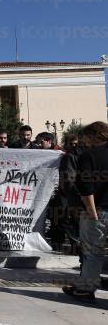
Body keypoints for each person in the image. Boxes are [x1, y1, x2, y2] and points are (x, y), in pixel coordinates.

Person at [63, 122, 108, 303]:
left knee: (92, 253)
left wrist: (91, 213)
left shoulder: (88, 156)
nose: (83, 142)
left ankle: (85, 290)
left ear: (94, 136)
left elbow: (85, 187)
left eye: (86, 138)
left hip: (97, 211)